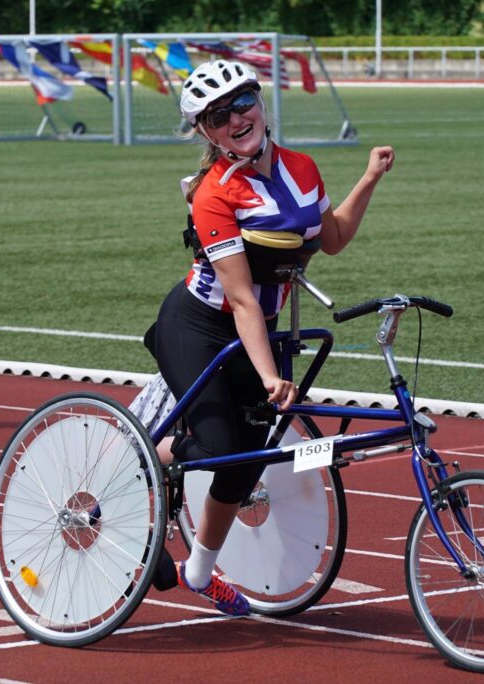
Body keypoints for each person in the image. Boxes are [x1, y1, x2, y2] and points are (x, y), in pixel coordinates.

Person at [153, 59, 394, 615]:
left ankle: (198, 570)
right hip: (200, 325)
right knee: (224, 451)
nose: (237, 118)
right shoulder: (215, 194)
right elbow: (239, 298)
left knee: (248, 458)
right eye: (219, 115)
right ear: (207, 132)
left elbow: (330, 238)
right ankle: (161, 451)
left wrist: (369, 178)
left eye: (244, 102)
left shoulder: (303, 169)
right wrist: (268, 377)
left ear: (260, 102)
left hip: (255, 330)